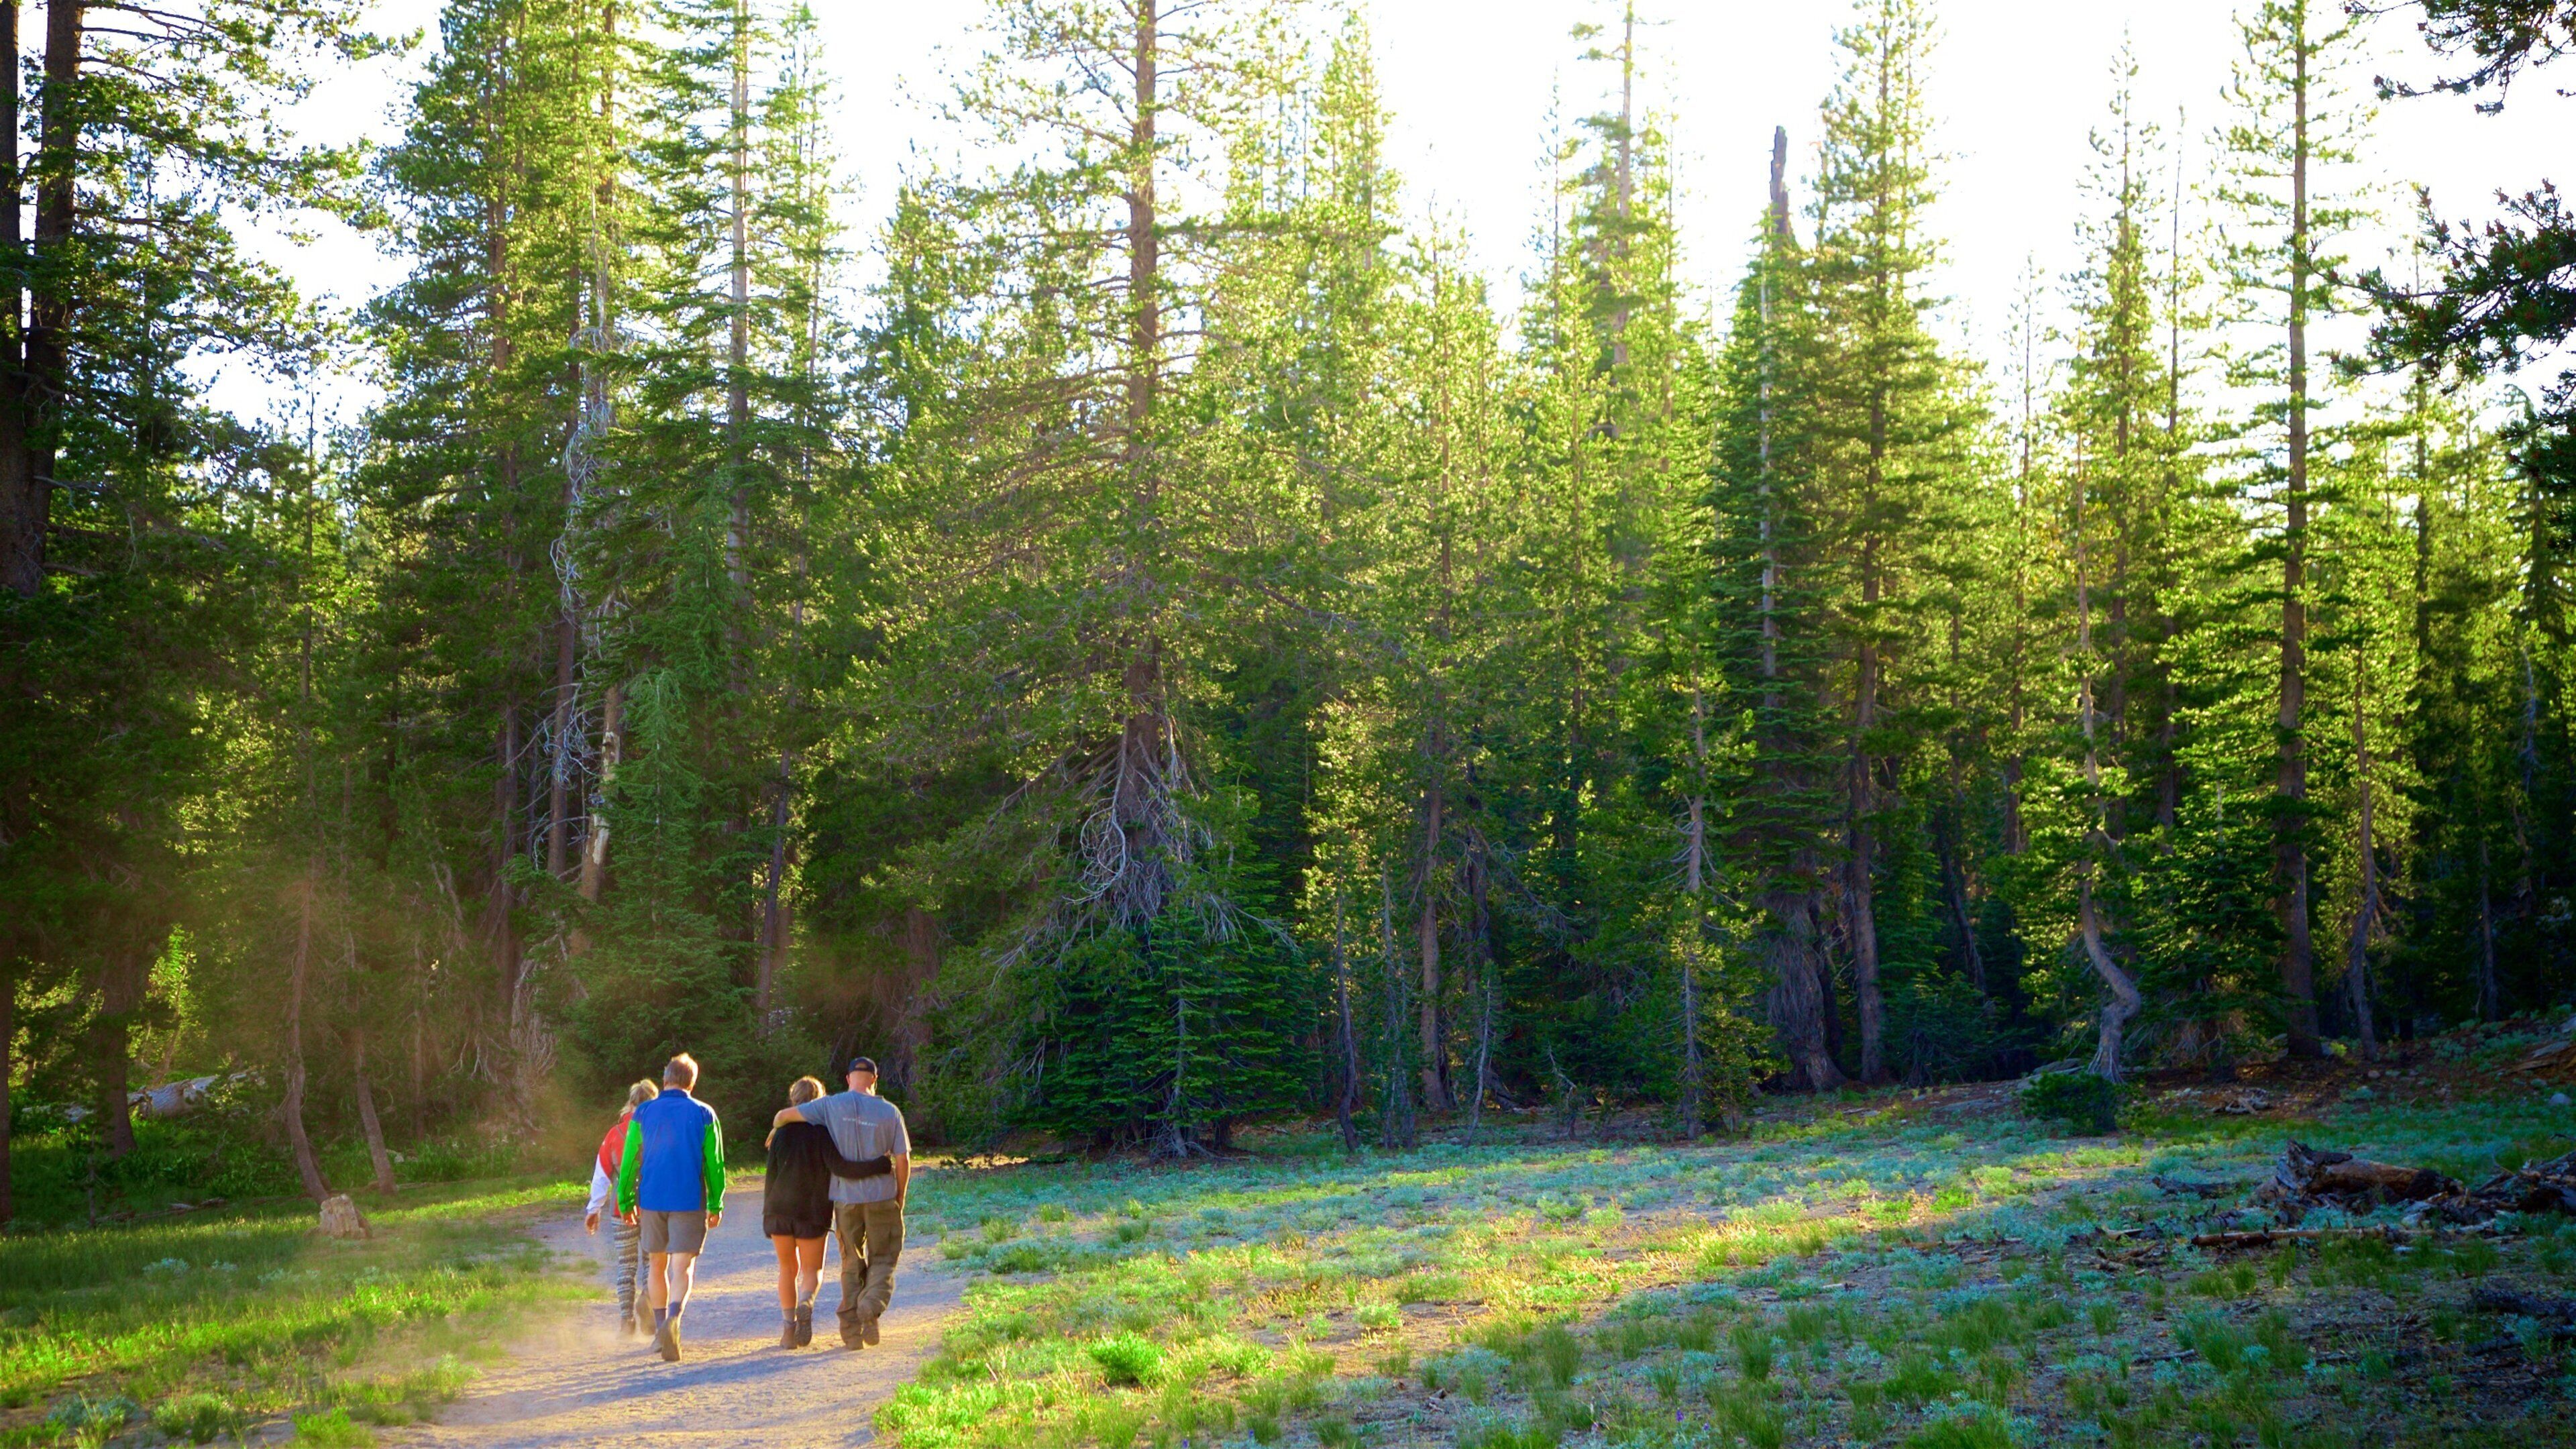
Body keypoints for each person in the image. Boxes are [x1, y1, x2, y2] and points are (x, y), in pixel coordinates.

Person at [769, 1055, 910, 1349]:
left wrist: (775, 1128)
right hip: (878, 1197)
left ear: (848, 1079)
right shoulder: (890, 1112)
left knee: (850, 1261)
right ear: (875, 1079)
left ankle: (848, 1330)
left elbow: (783, 1117)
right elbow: (902, 1159)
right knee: (883, 1256)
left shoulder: (829, 1106)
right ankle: (870, 1304)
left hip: (838, 1201)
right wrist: (899, 1193)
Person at [614, 1052, 725, 1362]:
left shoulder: (643, 1113)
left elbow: (630, 1160)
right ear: (692, 1082)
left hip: (652, 1199)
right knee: (682, 1267)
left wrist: (626, 1199)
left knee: (657, 1265)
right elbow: (715, 1163)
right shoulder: (705, 1113)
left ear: (664, 1081)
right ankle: (675, 1318)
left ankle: (661, 1328)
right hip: (688, 1200)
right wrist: (716, 1201)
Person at [583, 1079, 659, 1335]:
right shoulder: (659, 1131)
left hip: (620, 1209)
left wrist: (594, 1210)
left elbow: (602, 1175)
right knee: (653, 1261)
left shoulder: (614, 1135)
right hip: (653, 1207)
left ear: (630, 1104)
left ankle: (626, 1322)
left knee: (626, 1266)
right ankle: (647, 1300)